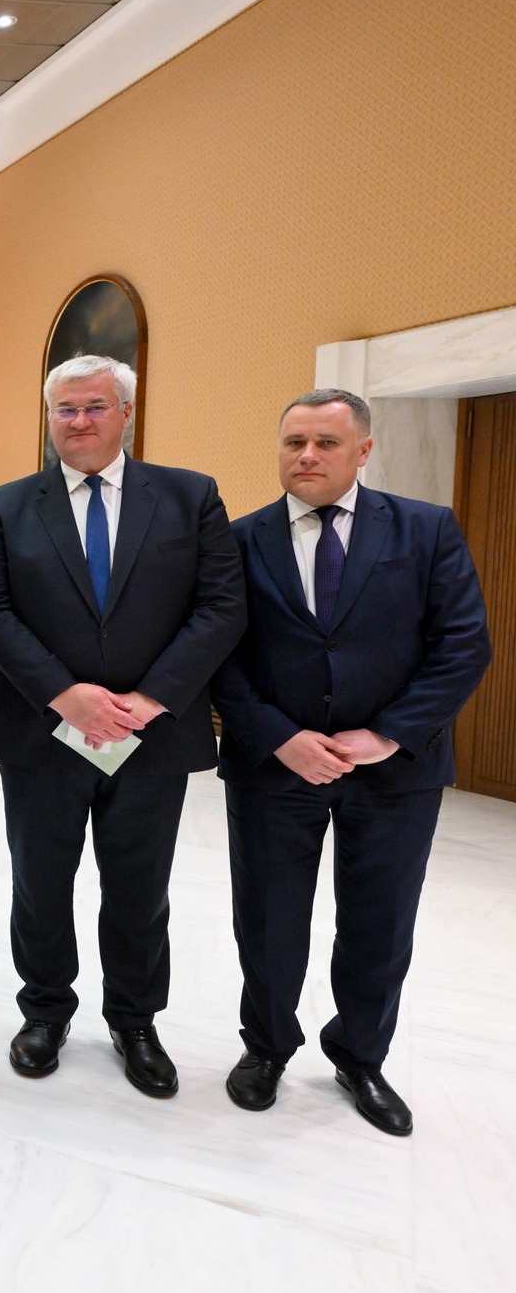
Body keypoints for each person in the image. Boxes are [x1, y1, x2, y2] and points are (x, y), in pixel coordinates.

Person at [0, 354, 245, 1096]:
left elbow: (221, 607)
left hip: (152, 735)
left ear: (126, 411)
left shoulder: (190, 497)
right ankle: (45, 1010)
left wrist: (148, 700)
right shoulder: (6, 505)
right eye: (65, 409)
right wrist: (65, 695)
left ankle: (135, 1020)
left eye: (94, 406)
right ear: (49, 417)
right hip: (40, 732)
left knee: (139, 888)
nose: (79, 421)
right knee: (40, 882)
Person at [212, 389, 490, 1134]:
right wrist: (280, 736)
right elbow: (218, 655)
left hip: (395, 771)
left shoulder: (425, 529)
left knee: (380, 922)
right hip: (275, 767)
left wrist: (387, 735)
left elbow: (464, 643)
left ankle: (361, 1057)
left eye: (326, 443)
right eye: (294, 442)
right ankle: (266, 1047)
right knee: (268, 919)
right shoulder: (236, 540)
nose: (307, 456)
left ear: (364, 450)